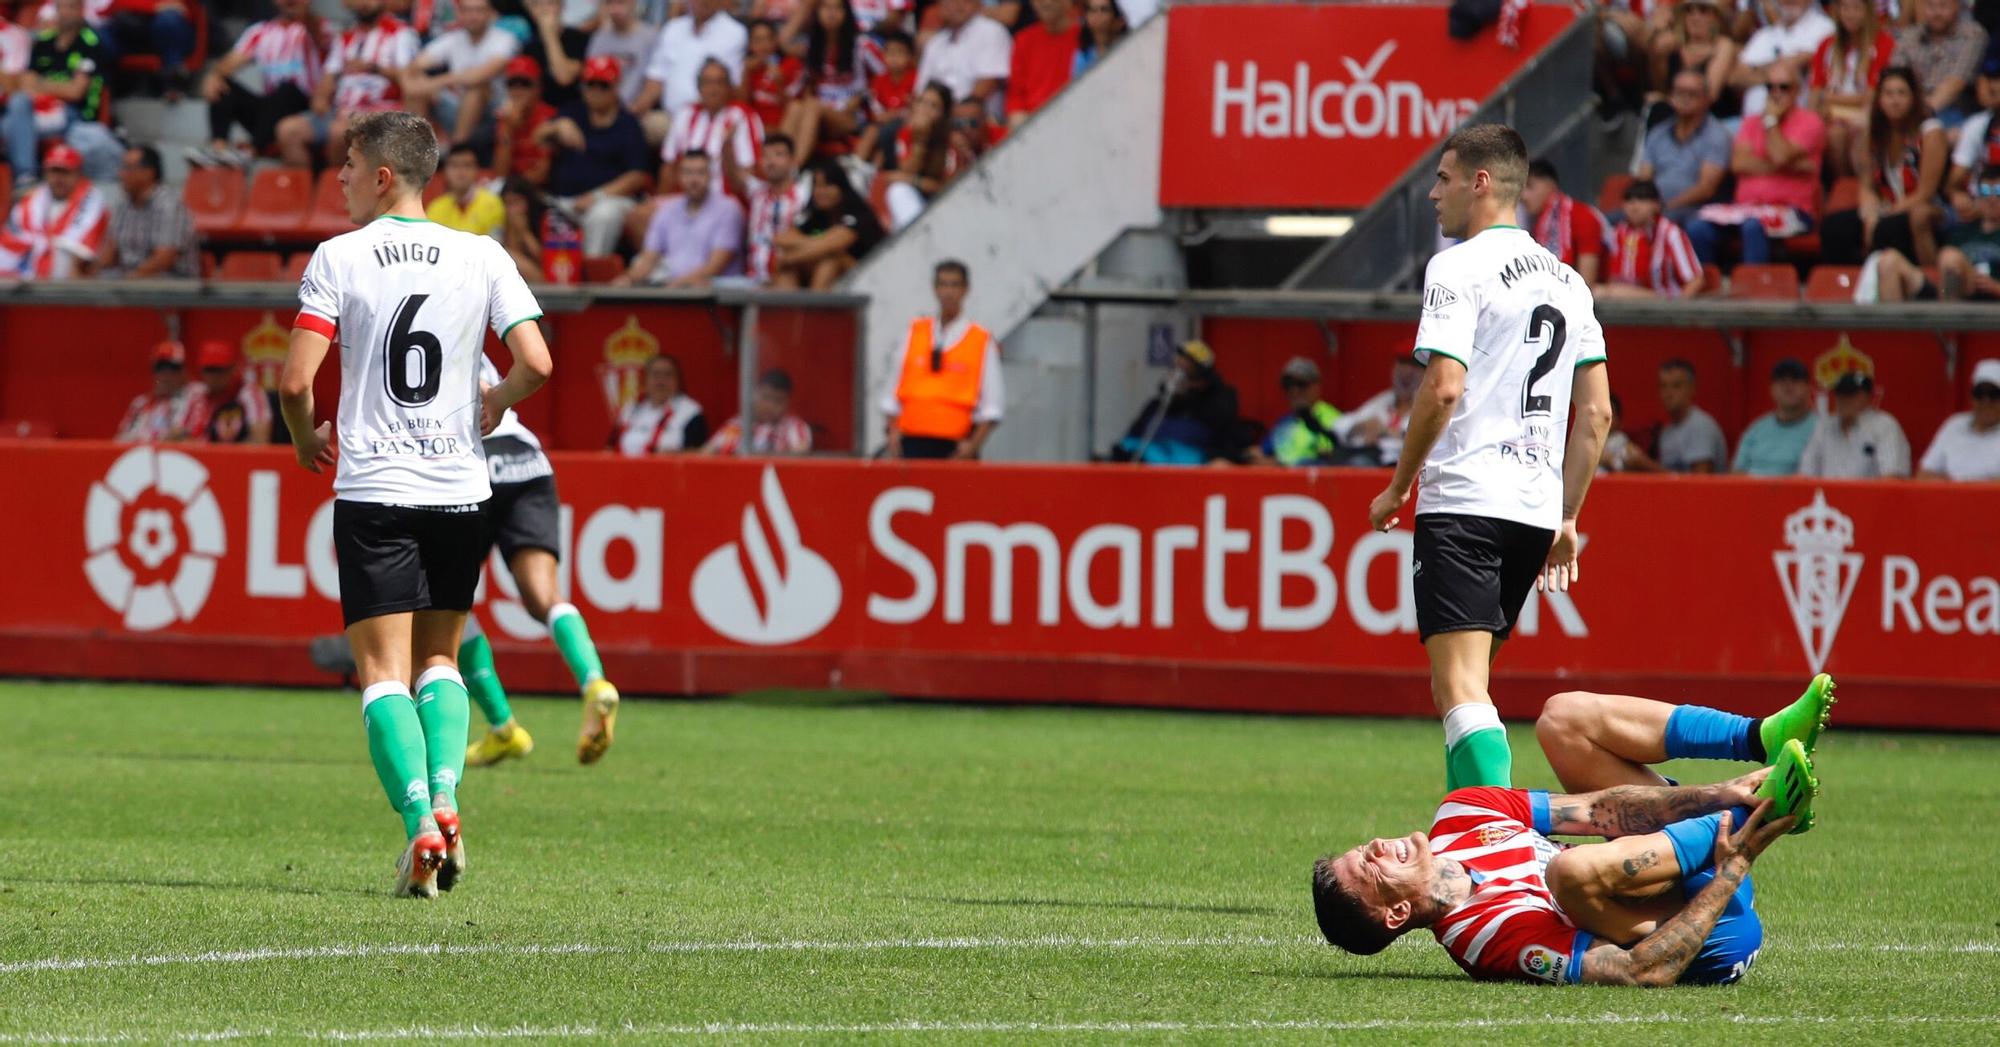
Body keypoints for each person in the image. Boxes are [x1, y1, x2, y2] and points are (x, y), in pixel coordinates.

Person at [280, 110, 553, 898]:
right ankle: (447, 796)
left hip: (375, 488)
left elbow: (296, 381)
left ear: (383, 176)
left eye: (347, 163)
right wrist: (495, 400)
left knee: (381, 673)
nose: (337, 177)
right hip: (461, 491)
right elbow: (536, 360)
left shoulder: (339, 256)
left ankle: (417, 822)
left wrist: (303, 439)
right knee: (442, 660)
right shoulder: (482, 253)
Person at [1366, 124, 1612, 794]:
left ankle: (1503, 847)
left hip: (1467, 497)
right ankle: (1466, 846)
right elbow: (1596, 415)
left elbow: (1443, 386)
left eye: (1442, 178)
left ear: (1480, 182)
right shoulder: (1568, 281)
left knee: (1460, 688)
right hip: (1533, 512)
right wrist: (1566, 518)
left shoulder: (1456, 267)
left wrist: (1398, 485)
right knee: (1467, 690)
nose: (1431, 193)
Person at [1312, 676, 1834, 985]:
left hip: (1683, 855)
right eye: (1369, 865)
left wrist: (1719, 792)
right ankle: (1764, 810)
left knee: (1562, 720)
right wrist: (1733, 866)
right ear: (1397, 912)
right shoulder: (1489, 943)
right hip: (1712, 929)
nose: (1377, 846)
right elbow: (1638, 970)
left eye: (1364, 848)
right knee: (1569, 870)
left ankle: (1761, 738)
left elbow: (1600, 811)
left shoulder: (1461, 812)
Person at [460, 353, 623, 769]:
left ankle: (503, 728)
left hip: (471, 460)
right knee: (543, 596)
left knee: (446, 603)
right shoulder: (471, 323)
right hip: (526, 457)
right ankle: (594, 681)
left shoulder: (432, 323)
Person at [1688, 65, 1825, 265]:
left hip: (1793, 210)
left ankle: (1754, 290)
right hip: (1746, 208)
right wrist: (1789, 166)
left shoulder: (1810, 122)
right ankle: (1705, 286)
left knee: (1753, 226)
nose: (1776, 93)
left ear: (1797, 90)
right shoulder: (1751, 122)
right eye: (1770, 87)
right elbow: (1738, 164)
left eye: (1783, 87)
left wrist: (1771, 121)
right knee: (1697, 226)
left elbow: (1779, 156)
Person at [275, 0, 421, 170]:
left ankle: (339, 188)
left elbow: (410, 78)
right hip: (341, 111)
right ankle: (305, 191)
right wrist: (320, 97)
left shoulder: (401, 32)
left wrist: (373, 68)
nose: (363, 3)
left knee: (340, 132)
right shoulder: (346, 37)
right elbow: (329, 76)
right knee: (288, 130)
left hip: (382, 110)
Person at [1822, 67, 1946, 266]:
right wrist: (1870, 213)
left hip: (1925, 209)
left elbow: (1926, 192)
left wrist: (1884, 216)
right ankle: (1847, 287)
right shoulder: (1875, 132)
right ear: (1879, 98)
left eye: (1901, 93)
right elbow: (1867, 186)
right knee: (1834, 226)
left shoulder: (1930, 132)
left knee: (1887, 228)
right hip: (1887, 208)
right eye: (1888, 94)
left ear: (1914, 97)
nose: (1894, 100)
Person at [881, 259, 1003, 459]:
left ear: (965, 290)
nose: (949, 292)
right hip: (911, 442)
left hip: (955, 445)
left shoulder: (980, 339)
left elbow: (993, 404)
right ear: (935, 289)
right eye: (944, 284)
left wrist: (973, 445)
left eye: (955, 285)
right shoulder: (915, 332)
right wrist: (892, 431)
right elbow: (892, 389)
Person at [540, 54, 653, 256]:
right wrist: (556, 126)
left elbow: (637, 176)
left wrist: (596, 196)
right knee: (537, 208)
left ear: (616, 87)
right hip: (564, 200)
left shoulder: (628, 124)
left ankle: (591, 279)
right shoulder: (572, 112)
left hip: (609, 199)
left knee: (603, 215)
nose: (596, 91)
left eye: (603, 85)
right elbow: (537, 138)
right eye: (591, 85)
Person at [193, 0, 325, 169]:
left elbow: (321, 38)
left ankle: (250, 151)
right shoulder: (260, 31)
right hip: (270, 111)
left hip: (306, 110)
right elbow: (229, 63)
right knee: (222, 85)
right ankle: (218, 149)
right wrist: (214, 76)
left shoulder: (318, 27)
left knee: (288, 89)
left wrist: (303, 13)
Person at [4, 0, 120, 186]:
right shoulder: (44, 42)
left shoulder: (90, 42)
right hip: (38, 111)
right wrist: (57, 87)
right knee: (11, 118)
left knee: (17, 110)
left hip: (73, 115)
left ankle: (25, 176)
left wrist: (40, 84)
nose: (66, 12)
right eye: (62, 7)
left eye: (71, 7)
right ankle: (24, 177)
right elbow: (24, 82)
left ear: (81, 10)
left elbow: (76, 92)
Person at [615, 149, 744, 287]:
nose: (694, 179)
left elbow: (713, 268)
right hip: (675, 291)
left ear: (711, 176)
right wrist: (627, 279)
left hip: (715, 295)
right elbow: (648, 259)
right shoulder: (667, 210)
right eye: (688, 172)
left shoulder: (728, 210)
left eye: (700, 172)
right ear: (679, 176)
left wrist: (674, 287)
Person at [403, 0, 517, 150]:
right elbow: (414, 66)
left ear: (491, 13)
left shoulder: (505, 39)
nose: (473, 16)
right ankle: (419, 151)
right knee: (418, 89)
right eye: (468, 11)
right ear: (460, 14)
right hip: (456, 106)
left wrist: (434, 83)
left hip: (493, 112)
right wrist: (421, 85)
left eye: (479, 11)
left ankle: (457, 150)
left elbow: (480, 75)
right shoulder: (453, 38)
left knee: (475, 89)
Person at [1110, 340, 1242, 465]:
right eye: (1179, 359)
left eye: (1187, 360)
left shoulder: (1221, 397)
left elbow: (1222, 431)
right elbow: (1134, 434)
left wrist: (1187, 397)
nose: (1179, 363)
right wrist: (1173, 396)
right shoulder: (1160, 402)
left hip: (1192, 457)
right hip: (1151, 455)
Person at [780, 0, 882, 161]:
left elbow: (885, 76)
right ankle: (779, 159)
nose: (831, 13)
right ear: (817, 13)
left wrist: (862, 97)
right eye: (826, 7)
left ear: (846, 13)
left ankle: (794, 168)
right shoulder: (810, 48)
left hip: (850, 115)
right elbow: (783, 41)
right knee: (795, 107)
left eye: (837, 8)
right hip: (817, 113)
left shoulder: (863, 46)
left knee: (812, 106)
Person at [634, 0, 748, 143]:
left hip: (710, 117)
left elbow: (730, 85)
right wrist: (635, 111)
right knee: (634, 126)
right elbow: (656, 78)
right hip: (670, 117)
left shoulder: (735, 32)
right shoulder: (672, 28)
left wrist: (692, 117)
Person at [1636, 70, 1732, 227]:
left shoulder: (1716, 135)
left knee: (1671, 222)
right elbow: (1644, 178)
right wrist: (1644, 204)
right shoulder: (1658, 132)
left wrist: (1663, 208)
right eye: (1679, 92)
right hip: (1653, 207)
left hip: (1694, 209)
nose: (1685, 98)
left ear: (1706, 99)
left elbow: (1706, 189)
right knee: (1606, 222)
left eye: (1692, 93)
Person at [1810, 0, 1895, 176]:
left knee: (1845, 132)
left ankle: (1856, 185)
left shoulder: (1884, 43)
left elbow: (1872, 96)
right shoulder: (1826, 45)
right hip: (1831, 114)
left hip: (1867, 113)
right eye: (1845, 8)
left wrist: (1829, 98)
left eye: (1856, 8)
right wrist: (1814, 115)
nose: (1850, 14)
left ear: (1868, 12)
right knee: (1828, 131)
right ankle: (1840, 184)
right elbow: (1815, 91)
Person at [0, 142, 107, 280]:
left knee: (64, 252)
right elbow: (13, 238)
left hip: (72, 284)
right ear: (46, 172)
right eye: (54, 171)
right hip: (30, 280)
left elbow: (83, 253)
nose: (59, 178)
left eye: (65, 172)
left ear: (78, 174)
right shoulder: (31, 201)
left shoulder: (93, 201)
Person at [770, 159, 883, 287]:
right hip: (832, 279)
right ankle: (789, 307)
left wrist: (789, 258)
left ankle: (817, 306)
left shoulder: (858, 214)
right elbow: (782, 239)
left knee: (831, 258)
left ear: (841, 188)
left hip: (870, 279)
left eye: (827, 185)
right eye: (816, 186)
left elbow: (834, 245)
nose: (820, 192)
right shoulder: (816, 214)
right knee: (789, 269)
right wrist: (817, 244)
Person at [659, 58, 761, 196]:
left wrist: (727, 150)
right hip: (684, 201)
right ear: (699, 87)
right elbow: (669, 167)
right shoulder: (685, 114)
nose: (714, 89)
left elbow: (748, 177)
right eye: (707, 83)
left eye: (720, 82)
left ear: (730, 87)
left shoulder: (742, 116)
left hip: (725, 201)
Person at [97, 145, 198, 280]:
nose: (121, 174)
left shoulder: (169, 205)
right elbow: (110, 254)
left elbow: (164, 260)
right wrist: (90, 270)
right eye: (122, 168)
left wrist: (127, 279)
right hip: (131, 282)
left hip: (170, 285)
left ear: (149, 172)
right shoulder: (123, 205)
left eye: (127, 168)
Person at [1597, 179, 1702, 299]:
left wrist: (1676, 313)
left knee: (1609, 293)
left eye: (1642, 200)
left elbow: (1695, 281)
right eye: (1629, 201)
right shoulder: (1616, 233)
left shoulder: (1671, 233)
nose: (1634, 207)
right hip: (1620, 301)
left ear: (1656, 205)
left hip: (1662, 302)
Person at [880, 81, 964, 230]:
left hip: (949, 206)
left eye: (933, 106)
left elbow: (950, 189)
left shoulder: (953, 142)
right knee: (898, 191)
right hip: (919, 205)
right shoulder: (906, 133)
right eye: (922, 102)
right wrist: (920, 141)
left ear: (944, 113)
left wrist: (914, 181)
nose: (924, 110)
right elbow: (906, 172)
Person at [1729, 0, 1833, 119]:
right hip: (1751, 126)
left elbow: (1807, 66)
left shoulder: (1825, 28)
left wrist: (1755, 69)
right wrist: (1785, 67)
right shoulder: (1764, 34)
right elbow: (1734, 77)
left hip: (1795, 126)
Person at [1796, 372, 1911, 478]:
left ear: (1868, 397)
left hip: (1869, 497)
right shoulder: (1824, 426)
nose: (1844, 399)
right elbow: (1805, 475)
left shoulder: (1884, 425)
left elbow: (1893, 477)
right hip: (1825, 498)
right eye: (1840, 393)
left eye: (1851, 394)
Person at [1890, 0, 1985, 123]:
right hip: (1909, 106)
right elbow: (1896, 76)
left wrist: (1920, 114)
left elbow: (1956, 82)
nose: (1937, 12)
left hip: (1953, 110)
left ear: (1957, 6)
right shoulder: (1910, 36)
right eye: (1931, 6)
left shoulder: (1972, 35)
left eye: (1943, 6)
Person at [916, 0, 1010, 119]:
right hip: (938, 116)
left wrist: (953, 112)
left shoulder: (990, 30)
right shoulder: (935, 42)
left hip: (978, 116)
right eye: (947, 3)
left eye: (962, 1)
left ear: (976, 3)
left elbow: (989, 81)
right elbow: (921, 89)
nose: (955, 5)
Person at [1633, 358, 1727, 473]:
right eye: (1663, 386)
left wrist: (1647, 465)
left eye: (1676, 386)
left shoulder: (1701, 426)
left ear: (1692, 388)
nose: (1668, 393)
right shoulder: (1667, 432)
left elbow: (1700, 483)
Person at [1520, 160, 1605, 285]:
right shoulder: (1533, 220)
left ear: (1550, 185)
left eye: (1529, 186)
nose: (1523, 196)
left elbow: (1587, 283)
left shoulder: (1583, 216)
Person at [744, 132, 813, 283]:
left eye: (778, 155)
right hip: (753, 280)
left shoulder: (806, 193)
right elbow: (734, 174)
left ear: (793, 161)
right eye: (765, 156)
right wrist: (727, 146)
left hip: (788, 276)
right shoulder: (756, 192)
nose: (771, 161)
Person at [1247, 356, 1341, 467]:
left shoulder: (1333, 420)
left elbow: (1329, 460)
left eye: (1301, 384)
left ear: (1316, 386)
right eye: (1288, 385)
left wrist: (1278, 465)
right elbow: (1261, 452)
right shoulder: (1284, 422)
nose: (1294, 391)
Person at [1916, 357, 2000, 480]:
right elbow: (1923, 475)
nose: (1986, 401)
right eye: (1979, 393)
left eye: (1994, 394)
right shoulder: (1954, 425)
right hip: (1949, 497)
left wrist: (1963, 484)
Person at [1730, 358, 1817, 475]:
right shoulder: (1757, 429)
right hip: (1752, 490)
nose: (1788, 386)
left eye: (1795, 379)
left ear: (1808, 387)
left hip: (1796, 491)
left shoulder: (1820, 429)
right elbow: (1737, 472)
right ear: (1771, 389)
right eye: (1781, 380)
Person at [1333, 354, 1422, 467]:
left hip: (1403, 467)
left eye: (1413, 367)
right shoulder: (1384, 400)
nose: (1406, 372)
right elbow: (1339, 426)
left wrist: (1387, 432)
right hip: (1367, 458)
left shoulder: (1430, 405)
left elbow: (1427, 442)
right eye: (1402, 365)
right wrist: (1361, 426)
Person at [611, 353, 709, 454]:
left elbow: (702, 453)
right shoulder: (631, 410)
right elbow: (611, 447)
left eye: (667, 374)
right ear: (645, 379)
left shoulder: (690, 412)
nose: (661, 381)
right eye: (655, 374)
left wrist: (675, 455)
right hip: (626, 468)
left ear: (678, 380)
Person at [704, 368, 814, 454]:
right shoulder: (737, 425)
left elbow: (799, 457)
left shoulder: (795, 427)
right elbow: (707, 453)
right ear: (755, 395)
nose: (770, 406)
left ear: (787, 403)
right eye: (766, 397)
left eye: (778, 401)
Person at [1005, 0, 1078, 129]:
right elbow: (1016, 95)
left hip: (1074, 117)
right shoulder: (1023, 39)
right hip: (1032, 123)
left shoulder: (1084, 37)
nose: (1045, 2)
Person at [115, 340, 205, 443]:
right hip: (140, 456)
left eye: (172, 368)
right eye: (160, 368)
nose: (165, 375)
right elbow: (119, 440)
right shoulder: (141, 404)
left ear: (184, 370)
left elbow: (194, 436)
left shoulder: (197, 394)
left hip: (179, 456)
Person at [186, 341, 274, 445]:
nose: (213, 376)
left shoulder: (250, 394)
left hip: (237, 458)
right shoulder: (197, 394)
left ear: (232, 369)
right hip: (196, 458)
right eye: (209, 370)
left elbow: (260, 441)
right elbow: (180, 433)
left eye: (218, 370)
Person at [493, 56, 558, 187]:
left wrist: (514, 190)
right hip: (512, 189)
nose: (518, 90)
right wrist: (507, 129)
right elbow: (500, 174)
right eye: (512, 84)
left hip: (541, 191)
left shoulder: (550, 117)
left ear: (538, 87)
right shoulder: (505, 119)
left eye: (525, 83)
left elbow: (542, 174)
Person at [516, 0, 591, 110]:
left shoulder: (579, 38)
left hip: (576, 108)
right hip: (541, 112)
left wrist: (550, 35)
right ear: (531, 11)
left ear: (562, 7)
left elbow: (564, 77)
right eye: (537, 4)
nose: (544, 10)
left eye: (550, 3)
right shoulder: (529, 47)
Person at [587, 0, 659, 109]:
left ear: (633, 3)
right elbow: (590, 81)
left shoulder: (650, 37)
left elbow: (655, 82)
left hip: (638, 110)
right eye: (609, 3)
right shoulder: (599, 37)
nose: (614, 10)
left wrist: (633, 111)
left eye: (620, 3)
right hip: (602, 110)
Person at [427, 143, 507, 238]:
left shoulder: (492, 203)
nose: (461, 172)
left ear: (477, 170)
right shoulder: (435, 208)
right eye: (455, 166)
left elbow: (496, 244)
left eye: (467, 165)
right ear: (445, 171)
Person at [740, 18, 804, 133]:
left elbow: (794, 108)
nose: (763, 45)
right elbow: (743, 104)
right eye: (757, 40)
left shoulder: (791, 64)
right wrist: (746, 73)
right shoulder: (748, 68)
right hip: (757, 127)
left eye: (768, 39)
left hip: (784, 126)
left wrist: (779, 84)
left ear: (775, 41)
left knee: (796, 108)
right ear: (750, 44)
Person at [498, 176, 545, 282]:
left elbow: (544, 259)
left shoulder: (544, 219)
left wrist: (524, 233)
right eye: (507, 203)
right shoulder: (500, 219)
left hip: (542, 280)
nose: (511, 209)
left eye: (516, 202)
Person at [1072, 0, 1125, 78]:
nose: (1097, 15)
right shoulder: (1083, 57)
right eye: (1092, 10)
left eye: (1104, 9)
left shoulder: (1129, 47)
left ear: (1119, 21)